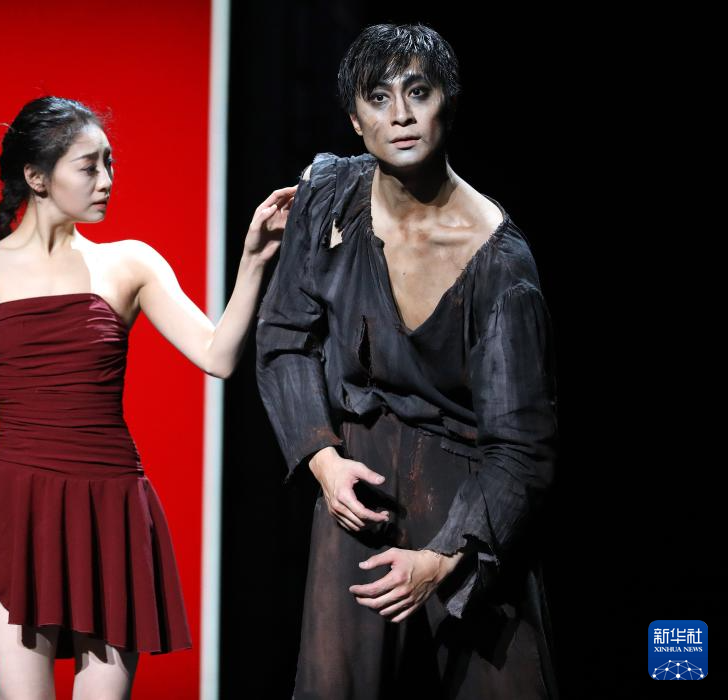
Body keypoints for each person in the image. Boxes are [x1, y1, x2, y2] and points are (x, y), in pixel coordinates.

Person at [0, 96, 294, 699]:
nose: (106, 180)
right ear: (37, 177)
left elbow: (218, 356)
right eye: (89, 166)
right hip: (19, 513)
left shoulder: (130, 263)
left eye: (110, 163)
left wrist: (253, 261)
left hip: (110, 511)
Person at [255, 23, 560, 699]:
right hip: (360, 483)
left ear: (448, 101)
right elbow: (284, 339)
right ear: (355, 118)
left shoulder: (499, 262)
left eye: (418, 92)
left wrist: (445, 557)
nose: (400, 114)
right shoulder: (329, 196)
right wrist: (323, 460)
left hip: (471, 495)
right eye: (379, 97)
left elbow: (523, 447)